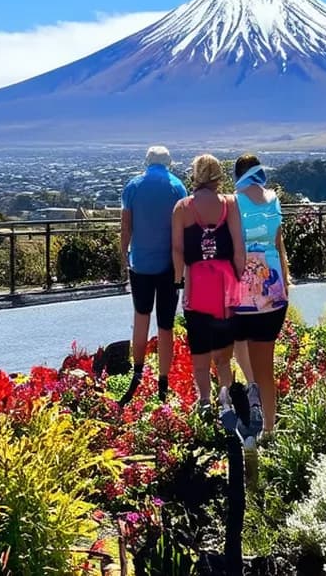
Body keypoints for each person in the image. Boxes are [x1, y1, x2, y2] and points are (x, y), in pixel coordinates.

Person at [172, 154, 246, 411]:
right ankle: (226, 399)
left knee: (200, 352)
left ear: (195, 176)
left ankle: (204, 401)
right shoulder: (231, 204)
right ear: (218, 176)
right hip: (226, 287)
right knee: (224, 355)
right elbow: (239, 248)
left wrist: (177, 281)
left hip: (197, 284)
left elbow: (178, 250)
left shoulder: (182, 208)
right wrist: (240, 279)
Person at [118, 145, 189, 407]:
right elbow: (183, 229)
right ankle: (163, 379)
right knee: (166, 324)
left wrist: (123, 256)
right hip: (170, 265)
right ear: (168, 162)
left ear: (146, 162)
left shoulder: (132, 187)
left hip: (140, 264)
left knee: (141, 316)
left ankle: (137, 371)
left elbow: (126, 228)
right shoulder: (177, 187)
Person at [230, 154, 290, 436]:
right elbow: (279, 245)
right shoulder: (274, 200)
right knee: (265, 366)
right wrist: (286, 282)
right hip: (274, 287)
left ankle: (246, 422)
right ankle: (268, 428)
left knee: (237, 359)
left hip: (243, 292)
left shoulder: (233, 203)